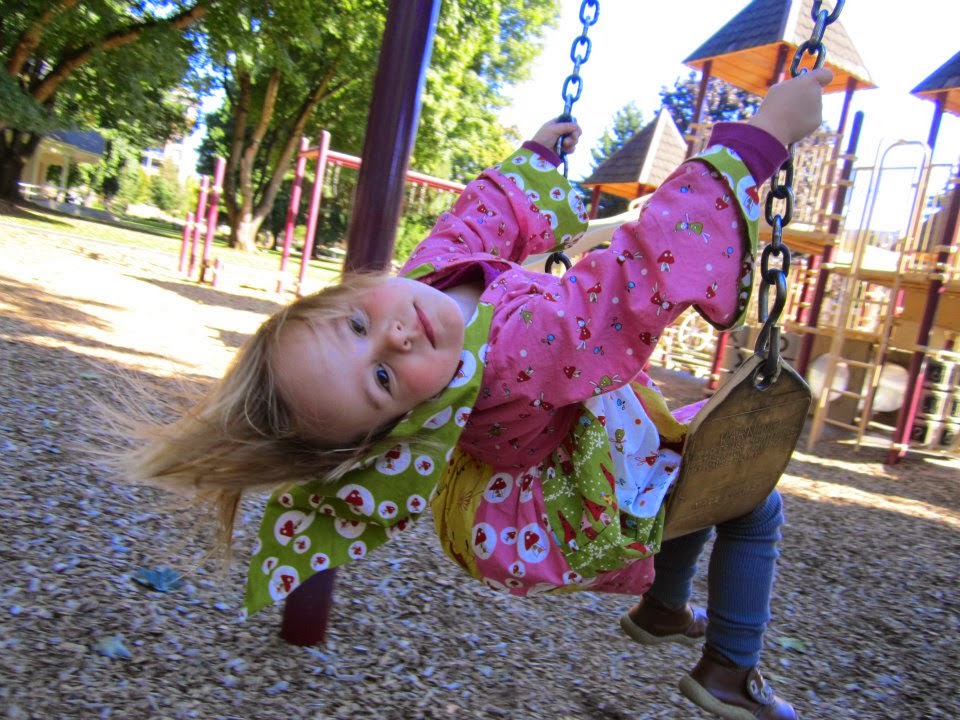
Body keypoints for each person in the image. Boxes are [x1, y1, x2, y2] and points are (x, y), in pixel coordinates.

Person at [118, 67, 834, 720]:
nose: (394, 338)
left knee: (687, 469)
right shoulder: (515, 351)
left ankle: (665, 607)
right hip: (575, 487)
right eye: (381, 379)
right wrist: (761, 140)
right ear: (397, 423)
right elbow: (634, 276)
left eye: (359, 321)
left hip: (575, 426)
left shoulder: (428, 279)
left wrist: (533, 158)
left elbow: (478, 218)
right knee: (749, 501)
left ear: (351, 288)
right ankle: (729, 671)